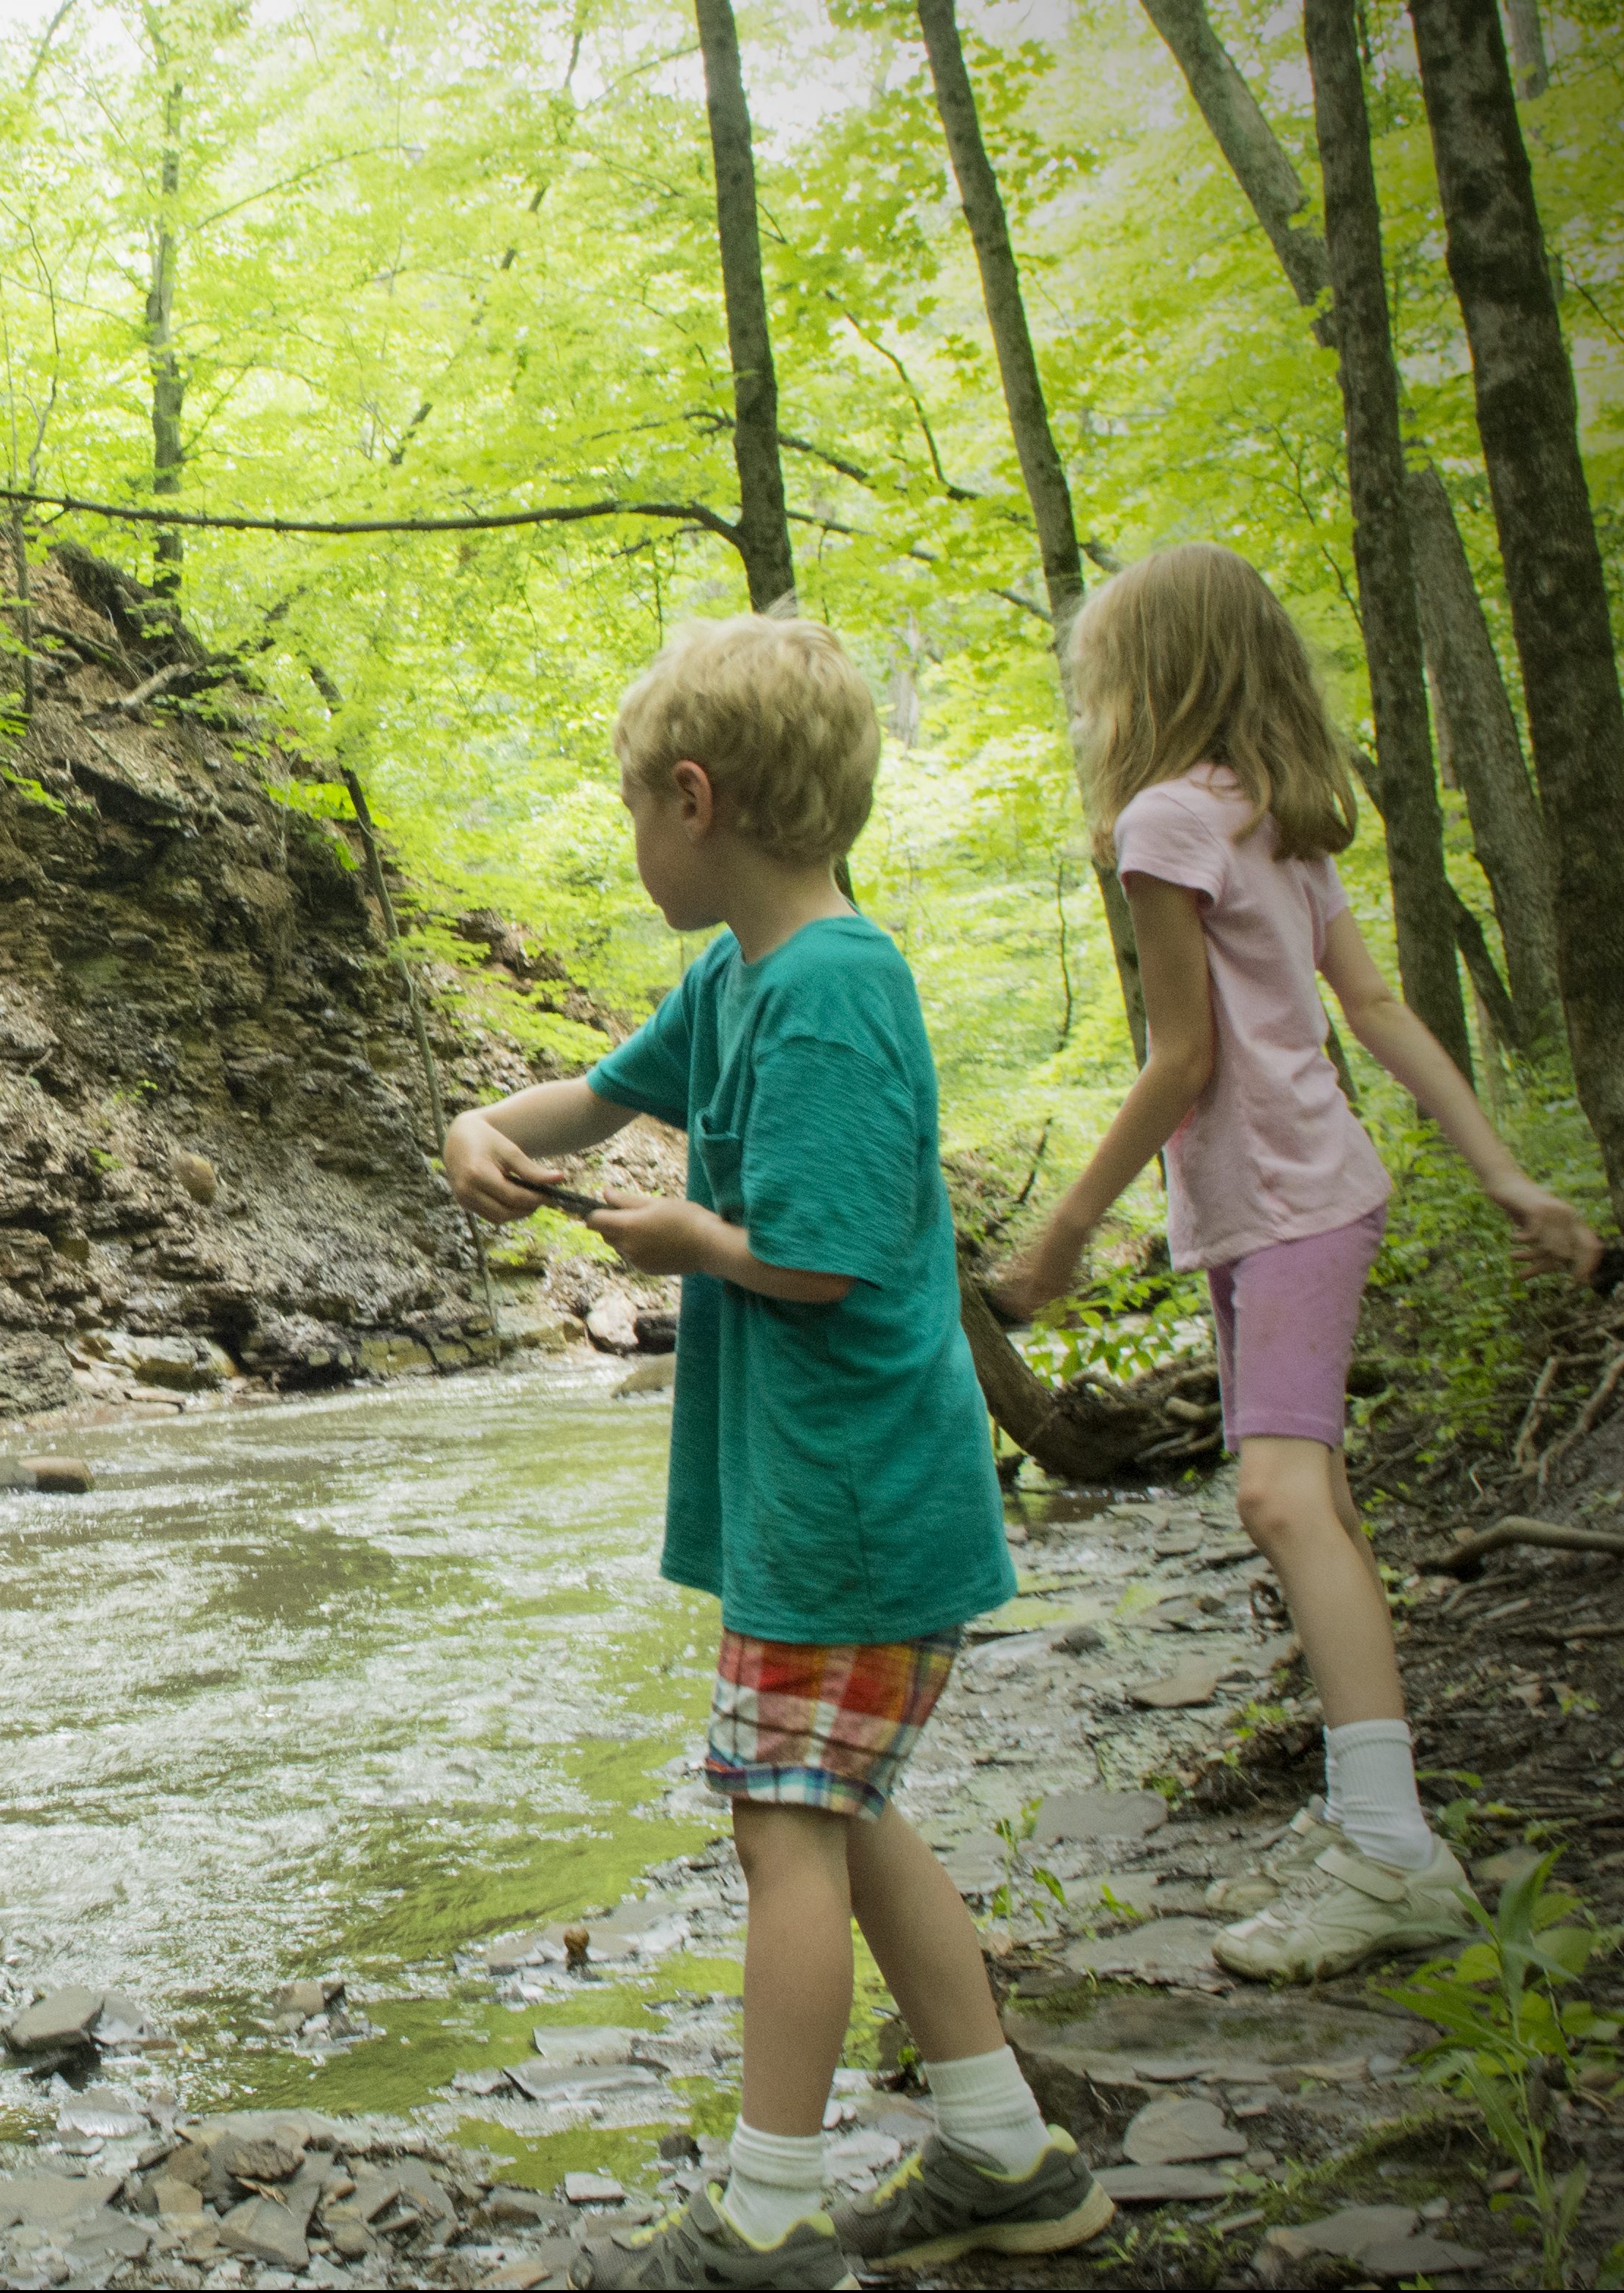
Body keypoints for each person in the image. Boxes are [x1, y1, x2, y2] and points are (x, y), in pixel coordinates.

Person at [445, 614, 1112, 2290]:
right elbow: (588, 1104)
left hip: (856, 1499)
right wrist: (481, 1127)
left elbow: (820, 1258)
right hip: (822, 1499)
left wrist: (694, 1246)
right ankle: (1003, 2153)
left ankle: (768, 2212)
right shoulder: (731, 978)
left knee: (784, 1826)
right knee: (845, 1804)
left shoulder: (832, 990)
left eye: (629, 807)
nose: (629, 833)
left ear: (695, 797)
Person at [992, 543, 1604, 1983]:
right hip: (1294, 1198)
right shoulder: (1272, 824)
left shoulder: (1167, 824)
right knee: (1311, 1498)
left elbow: (1185, 1057)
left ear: (1147, 678)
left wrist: (1066, 1229)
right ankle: (1365, 1810)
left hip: (1281, 1202)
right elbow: (1377, 1012)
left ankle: (1392, 1855)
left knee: (1279, 1498)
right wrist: (1502, 1174)